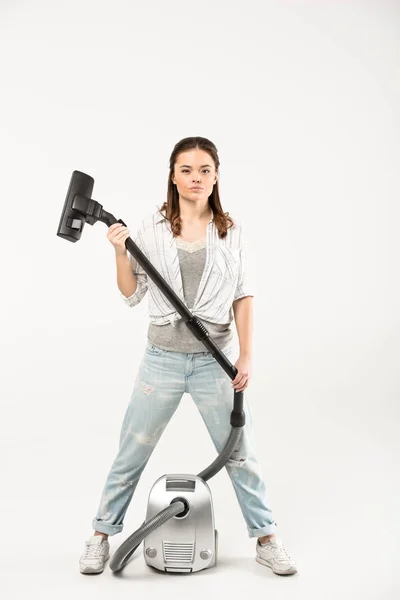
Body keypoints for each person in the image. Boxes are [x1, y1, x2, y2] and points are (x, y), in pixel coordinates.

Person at [79, 136, 297, 576]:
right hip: (161, 359)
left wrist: (247, 356)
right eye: (186, 170)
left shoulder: (231, 232)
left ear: (216, 177)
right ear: (172, 176)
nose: (195, 178)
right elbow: (132, 293)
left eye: (204, 170)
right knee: (132, 450)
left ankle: (267, 538)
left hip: (216, 363)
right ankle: (101, 536)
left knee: (240, 453)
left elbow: (243, 296)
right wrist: (121, 252)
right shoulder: (152, 228)